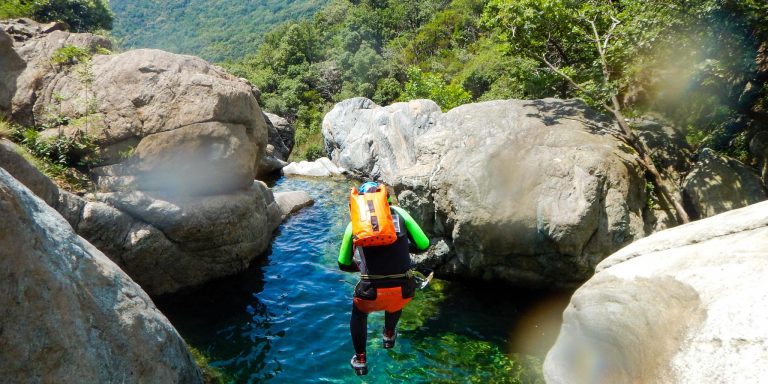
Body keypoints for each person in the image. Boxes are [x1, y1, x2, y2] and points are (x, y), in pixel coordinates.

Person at [338, 181, 430, 376]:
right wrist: (404, 246)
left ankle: (361, 360)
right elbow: (424, 245)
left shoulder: (355, 223)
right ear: (385, 198)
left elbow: (343, 264)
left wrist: (360, 266)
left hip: (369, 292)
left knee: (359, 314)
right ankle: (388, 335)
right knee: (395, 301)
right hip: (403, 289)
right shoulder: (400, 214)